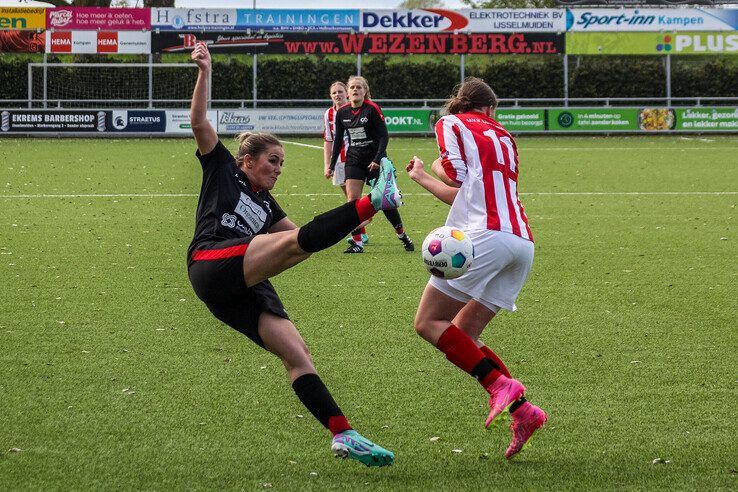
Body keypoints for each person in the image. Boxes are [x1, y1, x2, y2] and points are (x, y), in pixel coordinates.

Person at [186, 42, 400, 467]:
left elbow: (304, 241)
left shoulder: (268, 206)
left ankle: (343, 433)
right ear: (247, 160)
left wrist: (331, 233)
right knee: (291, 244)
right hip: (209, 264)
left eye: (282, 163)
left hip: (244, 286)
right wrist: (204, 69)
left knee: (297, 353)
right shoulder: (223, 168)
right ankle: (375, 201)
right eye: (273, 161)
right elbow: (199, 122)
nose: (279, 169)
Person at [406, 77, 547, 460]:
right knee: (464, 332)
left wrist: (432, 164)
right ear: (489, 109)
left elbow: (455, 175)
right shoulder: (504, 136)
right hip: (520, 243)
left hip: (485, 237)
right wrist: (421, 179)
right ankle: (523, 412)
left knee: (428, 323)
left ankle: (501, 387)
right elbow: (471, 192)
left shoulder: (451, 123)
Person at [329, 75, 414, 254]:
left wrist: (377, 159)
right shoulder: (342, 112)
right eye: (352, 87)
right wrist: (331, 164)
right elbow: (337, 140)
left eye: (359, 87)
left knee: (385, 201)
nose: (355, 90)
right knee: (352, 202)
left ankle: (402, 234)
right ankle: (358, 243)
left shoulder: (372, 109)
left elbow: (384, 136)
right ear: (348, 91)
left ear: (365, 91)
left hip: (375, 159)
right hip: (354, 160)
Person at [322, 81, 368, 245]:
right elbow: (328, 141)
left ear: (346, 94)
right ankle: (362, 231)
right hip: (339, 162)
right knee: (350, 199)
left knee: (353, 200)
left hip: (355, 159)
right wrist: (328, 164)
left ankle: (364, 223)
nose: (337, 95)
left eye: (340, 92)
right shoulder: (328, 114)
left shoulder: (353, 110)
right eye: (334, 93)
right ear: (330, 96)